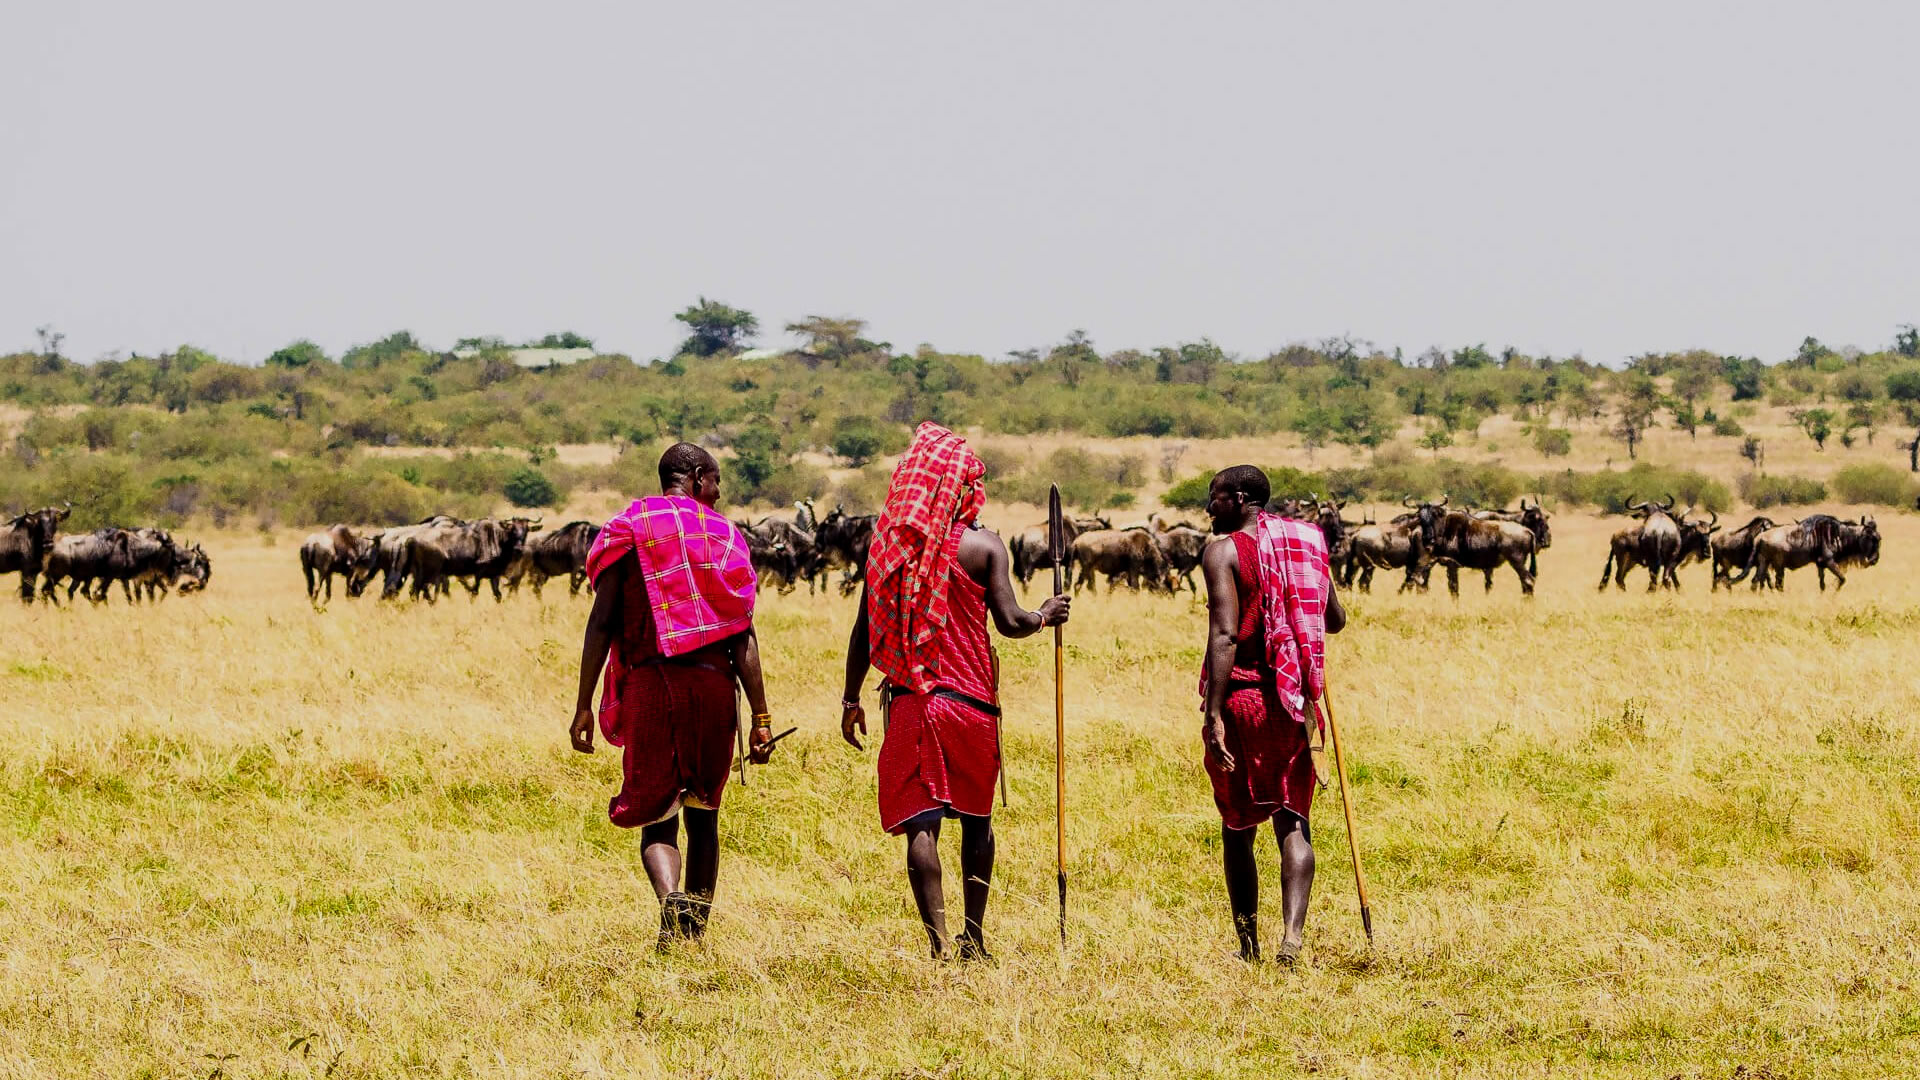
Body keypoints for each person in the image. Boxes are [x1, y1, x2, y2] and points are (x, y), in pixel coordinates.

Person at [838, 422, 1069, 961]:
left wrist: (851, 698)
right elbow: (1010, 621)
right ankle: (975, 937)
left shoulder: (887, 549)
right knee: (977, 822)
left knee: (922, 822)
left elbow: (863, 628)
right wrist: (1045, 615)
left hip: (911, 700)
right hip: (971, 706)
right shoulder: (984, 547)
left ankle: (938, 942)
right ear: (957, 487)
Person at [570, 442, 776, 947]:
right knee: (704, 814)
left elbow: (601, 622)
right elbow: (742, 633)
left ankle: (669, 902)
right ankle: (695, 935)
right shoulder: (723, 535)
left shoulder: (628, 530)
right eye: (717, 481)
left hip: (649, 685)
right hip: (711, 688)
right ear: (700, 477)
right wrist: (762, 715)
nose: (720, 492)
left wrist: (582, 704)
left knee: (657, 818)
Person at [1199, 465, 1347, 964]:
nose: (1209, 508)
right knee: (1293, 820)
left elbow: (1223, 634)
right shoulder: (1301, 545)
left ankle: (1247, 945)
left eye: (1216, 498)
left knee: (1237, 827)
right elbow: (1335, 619)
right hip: (1293, 704)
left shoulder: (1223, 552)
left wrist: (1214, 714)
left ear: (1239, 498)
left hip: (1244, 700)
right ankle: (1293, 937)